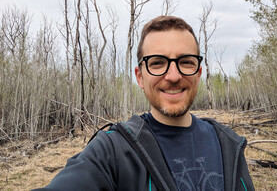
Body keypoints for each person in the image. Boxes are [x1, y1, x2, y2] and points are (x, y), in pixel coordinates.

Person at [35, 16, 254, 191]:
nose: (173, 75)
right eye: (157, 63)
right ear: (140, 77)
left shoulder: (228, 144)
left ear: (198, 73)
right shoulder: (113, 150)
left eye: (186, 62)